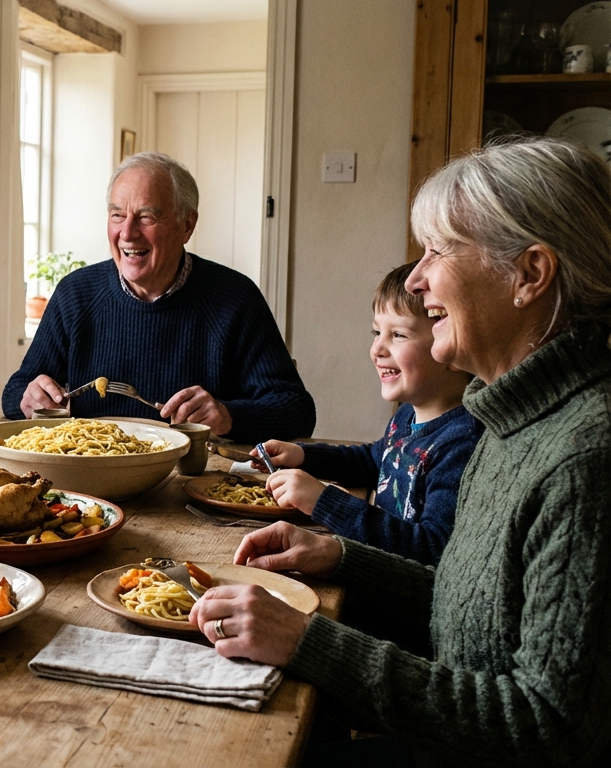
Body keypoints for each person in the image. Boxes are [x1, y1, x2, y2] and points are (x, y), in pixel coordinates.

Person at [189, 138, 611, 766]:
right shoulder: (511, 421)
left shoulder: (582, 459)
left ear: (529, 274)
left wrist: (310, 641)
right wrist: (340, 555)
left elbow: (545, 726)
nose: (417, 279)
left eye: (437, 251)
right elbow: (465, 602)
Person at [0, 151, 314, 444]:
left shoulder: (235, 299)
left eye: (146, 217)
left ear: (187, 225)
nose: (127, 233)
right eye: (117, 215)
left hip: (192, 483)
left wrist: (228, 416)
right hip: (90, 481)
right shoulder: (75, 294)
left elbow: (297, 410)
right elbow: (16, 390)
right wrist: (28, 398)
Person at [252, 261, 479, 565]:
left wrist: (324, 501)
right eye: (376, 331)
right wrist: (303, 456)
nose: (377, 349)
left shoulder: (462, 443)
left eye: (398, 335)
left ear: (452, 346)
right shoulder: (407, 415)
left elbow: (432, 548)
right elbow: (375, 460)